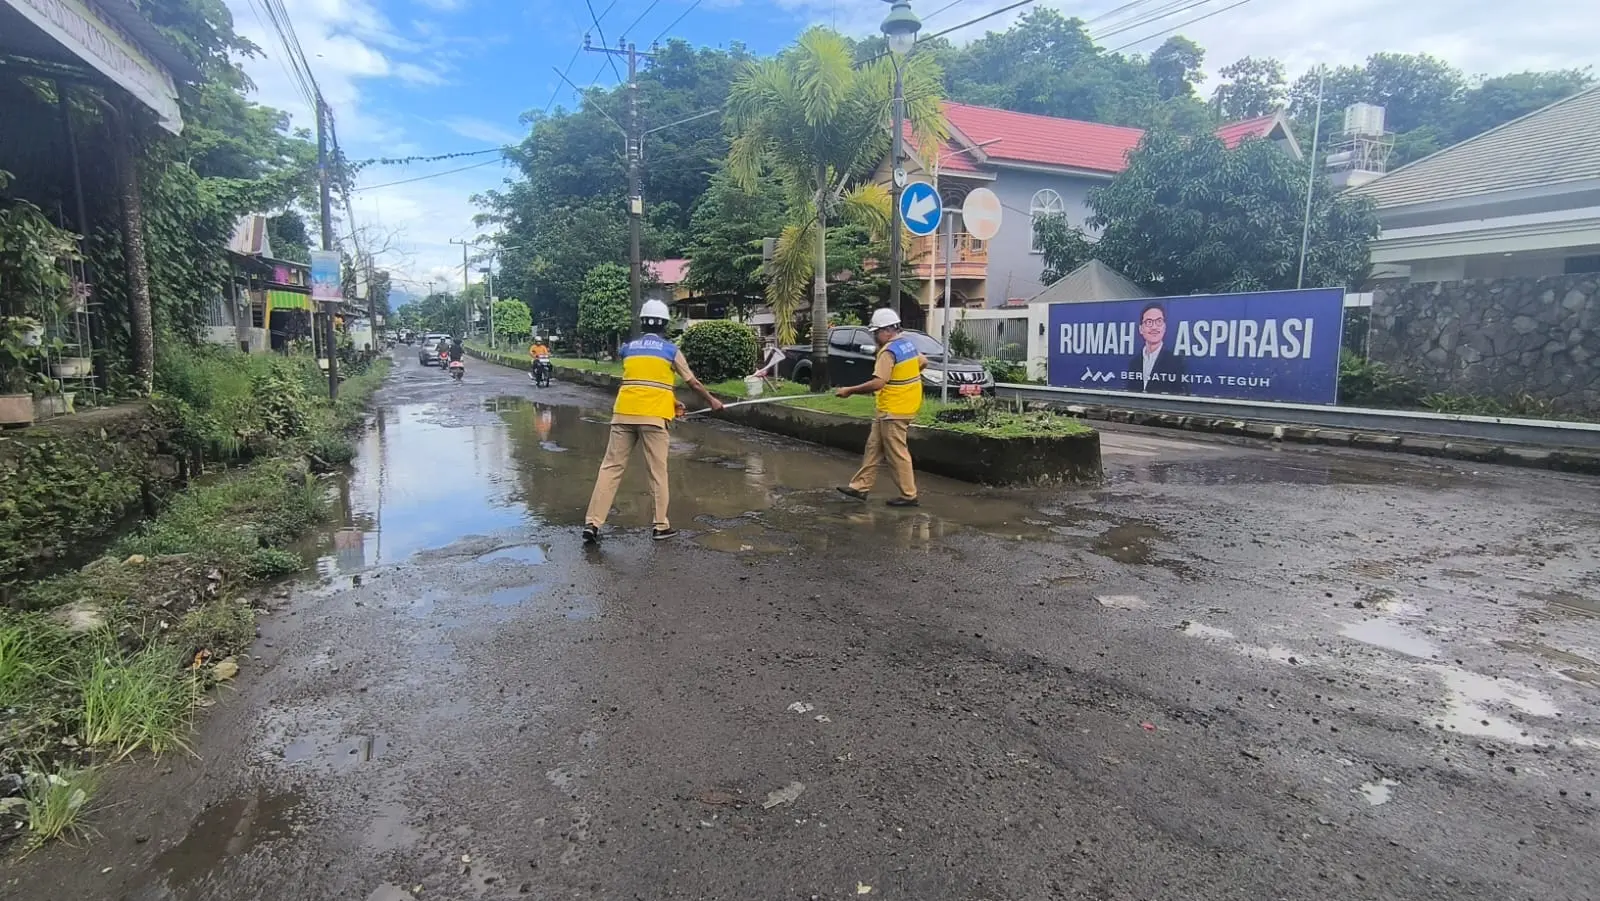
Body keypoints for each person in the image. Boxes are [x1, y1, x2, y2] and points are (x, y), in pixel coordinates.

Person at [582, 300, 724, 543]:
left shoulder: (628, 349)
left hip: (624, 413)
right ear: (665, 324)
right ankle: (660, 526)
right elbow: (693, 383)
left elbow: (642, 382)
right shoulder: (670, 351)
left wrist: (673, 402)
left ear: (642, 322)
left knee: (611, 468)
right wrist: (712, 401)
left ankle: (593, 524)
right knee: (657, 473)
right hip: (654, 418)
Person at [835, 308, 924, 508]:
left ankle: (909, 495)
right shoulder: (907, 345)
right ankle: (860, 487)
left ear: (886, 330)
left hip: (894, 410)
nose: (875, 337)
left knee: (897, 453)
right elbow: (923, 362)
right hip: (896, 406)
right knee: (873, 447)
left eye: (876, 332)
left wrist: (849, 390)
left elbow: (878, 383)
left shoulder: (888, 351)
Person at [1123, 301, 1188, 395]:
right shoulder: (1134, 362)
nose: (1154, 327)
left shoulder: (1176, 361)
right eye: (1149, 322)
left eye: (1159, 321)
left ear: (1164, 327)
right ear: (1141, 329)